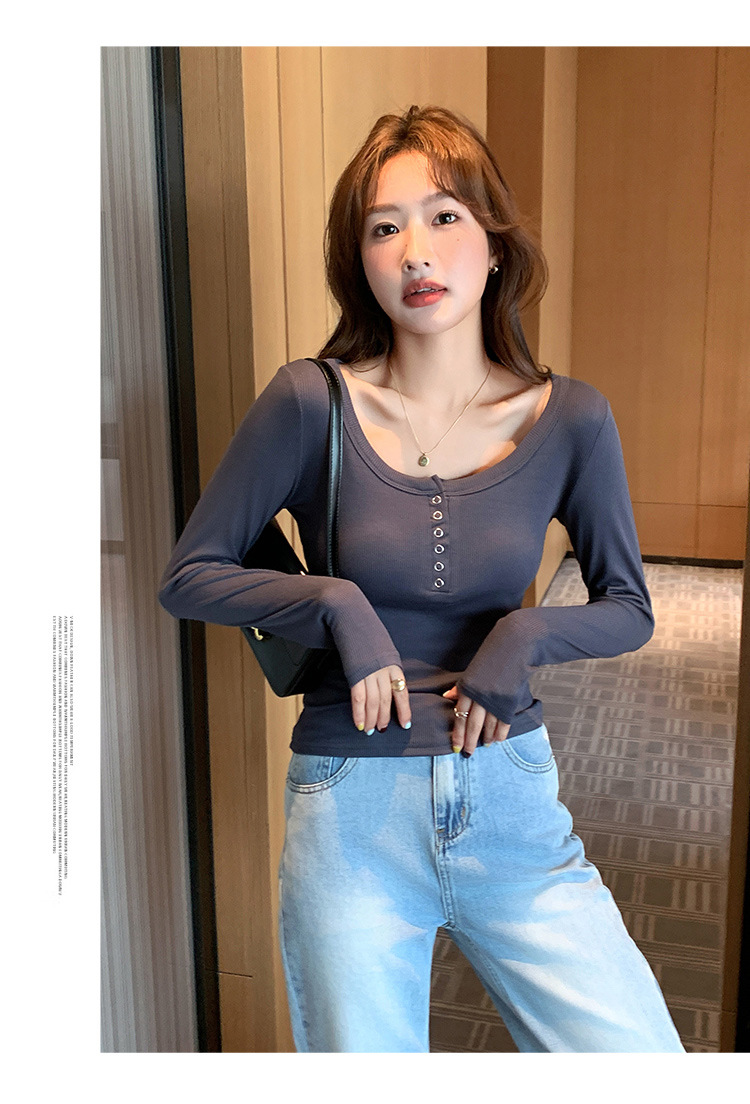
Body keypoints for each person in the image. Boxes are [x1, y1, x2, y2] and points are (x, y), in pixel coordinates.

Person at [159, 105, 684, 1053]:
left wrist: (523, 636)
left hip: (511, 799)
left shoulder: (572, 419)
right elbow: (190, 575)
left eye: (444, 216)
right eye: (383, 227)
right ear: (360, 260)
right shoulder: (309, 402)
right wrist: (334, 603)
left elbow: (629, 608)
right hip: (350, 810)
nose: (414, 251)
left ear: (495, 244)